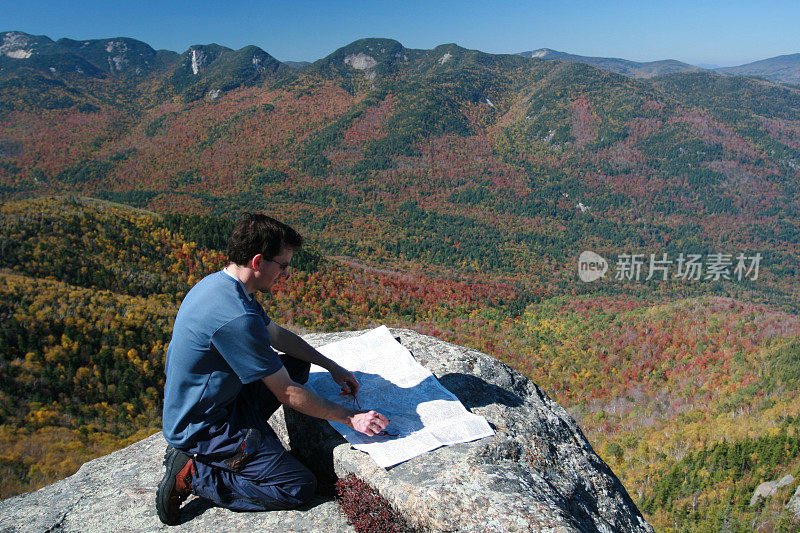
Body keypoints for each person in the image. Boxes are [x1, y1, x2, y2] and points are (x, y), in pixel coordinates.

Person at [156, 213, 388, 525]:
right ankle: (197, 473)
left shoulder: (225, 287)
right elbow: (288, 393)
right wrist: (352, 417)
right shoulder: (236, 317)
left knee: (297, 363)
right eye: (282, 264)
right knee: (297, 486)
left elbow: (276, 335)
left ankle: (247, 446)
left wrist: (331, 366)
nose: (286, 273)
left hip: (221, 401)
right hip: (204, 427)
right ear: (257, 261)